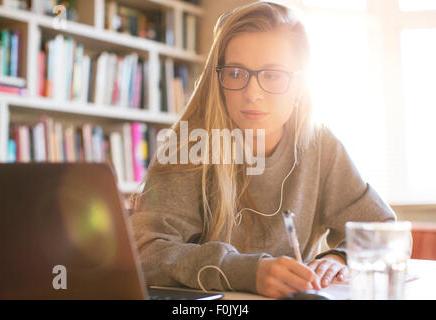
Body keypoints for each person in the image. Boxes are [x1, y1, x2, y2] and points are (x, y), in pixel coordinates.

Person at [130, 1, 396, 299]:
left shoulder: (320, 145)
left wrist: (339, 258)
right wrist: (244, 272)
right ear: (218, 81)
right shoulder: (189, 145)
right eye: (235, 73)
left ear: (301, 84)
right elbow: (145, 253)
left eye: (273, 75)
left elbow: (384, 230)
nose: (252, 94)